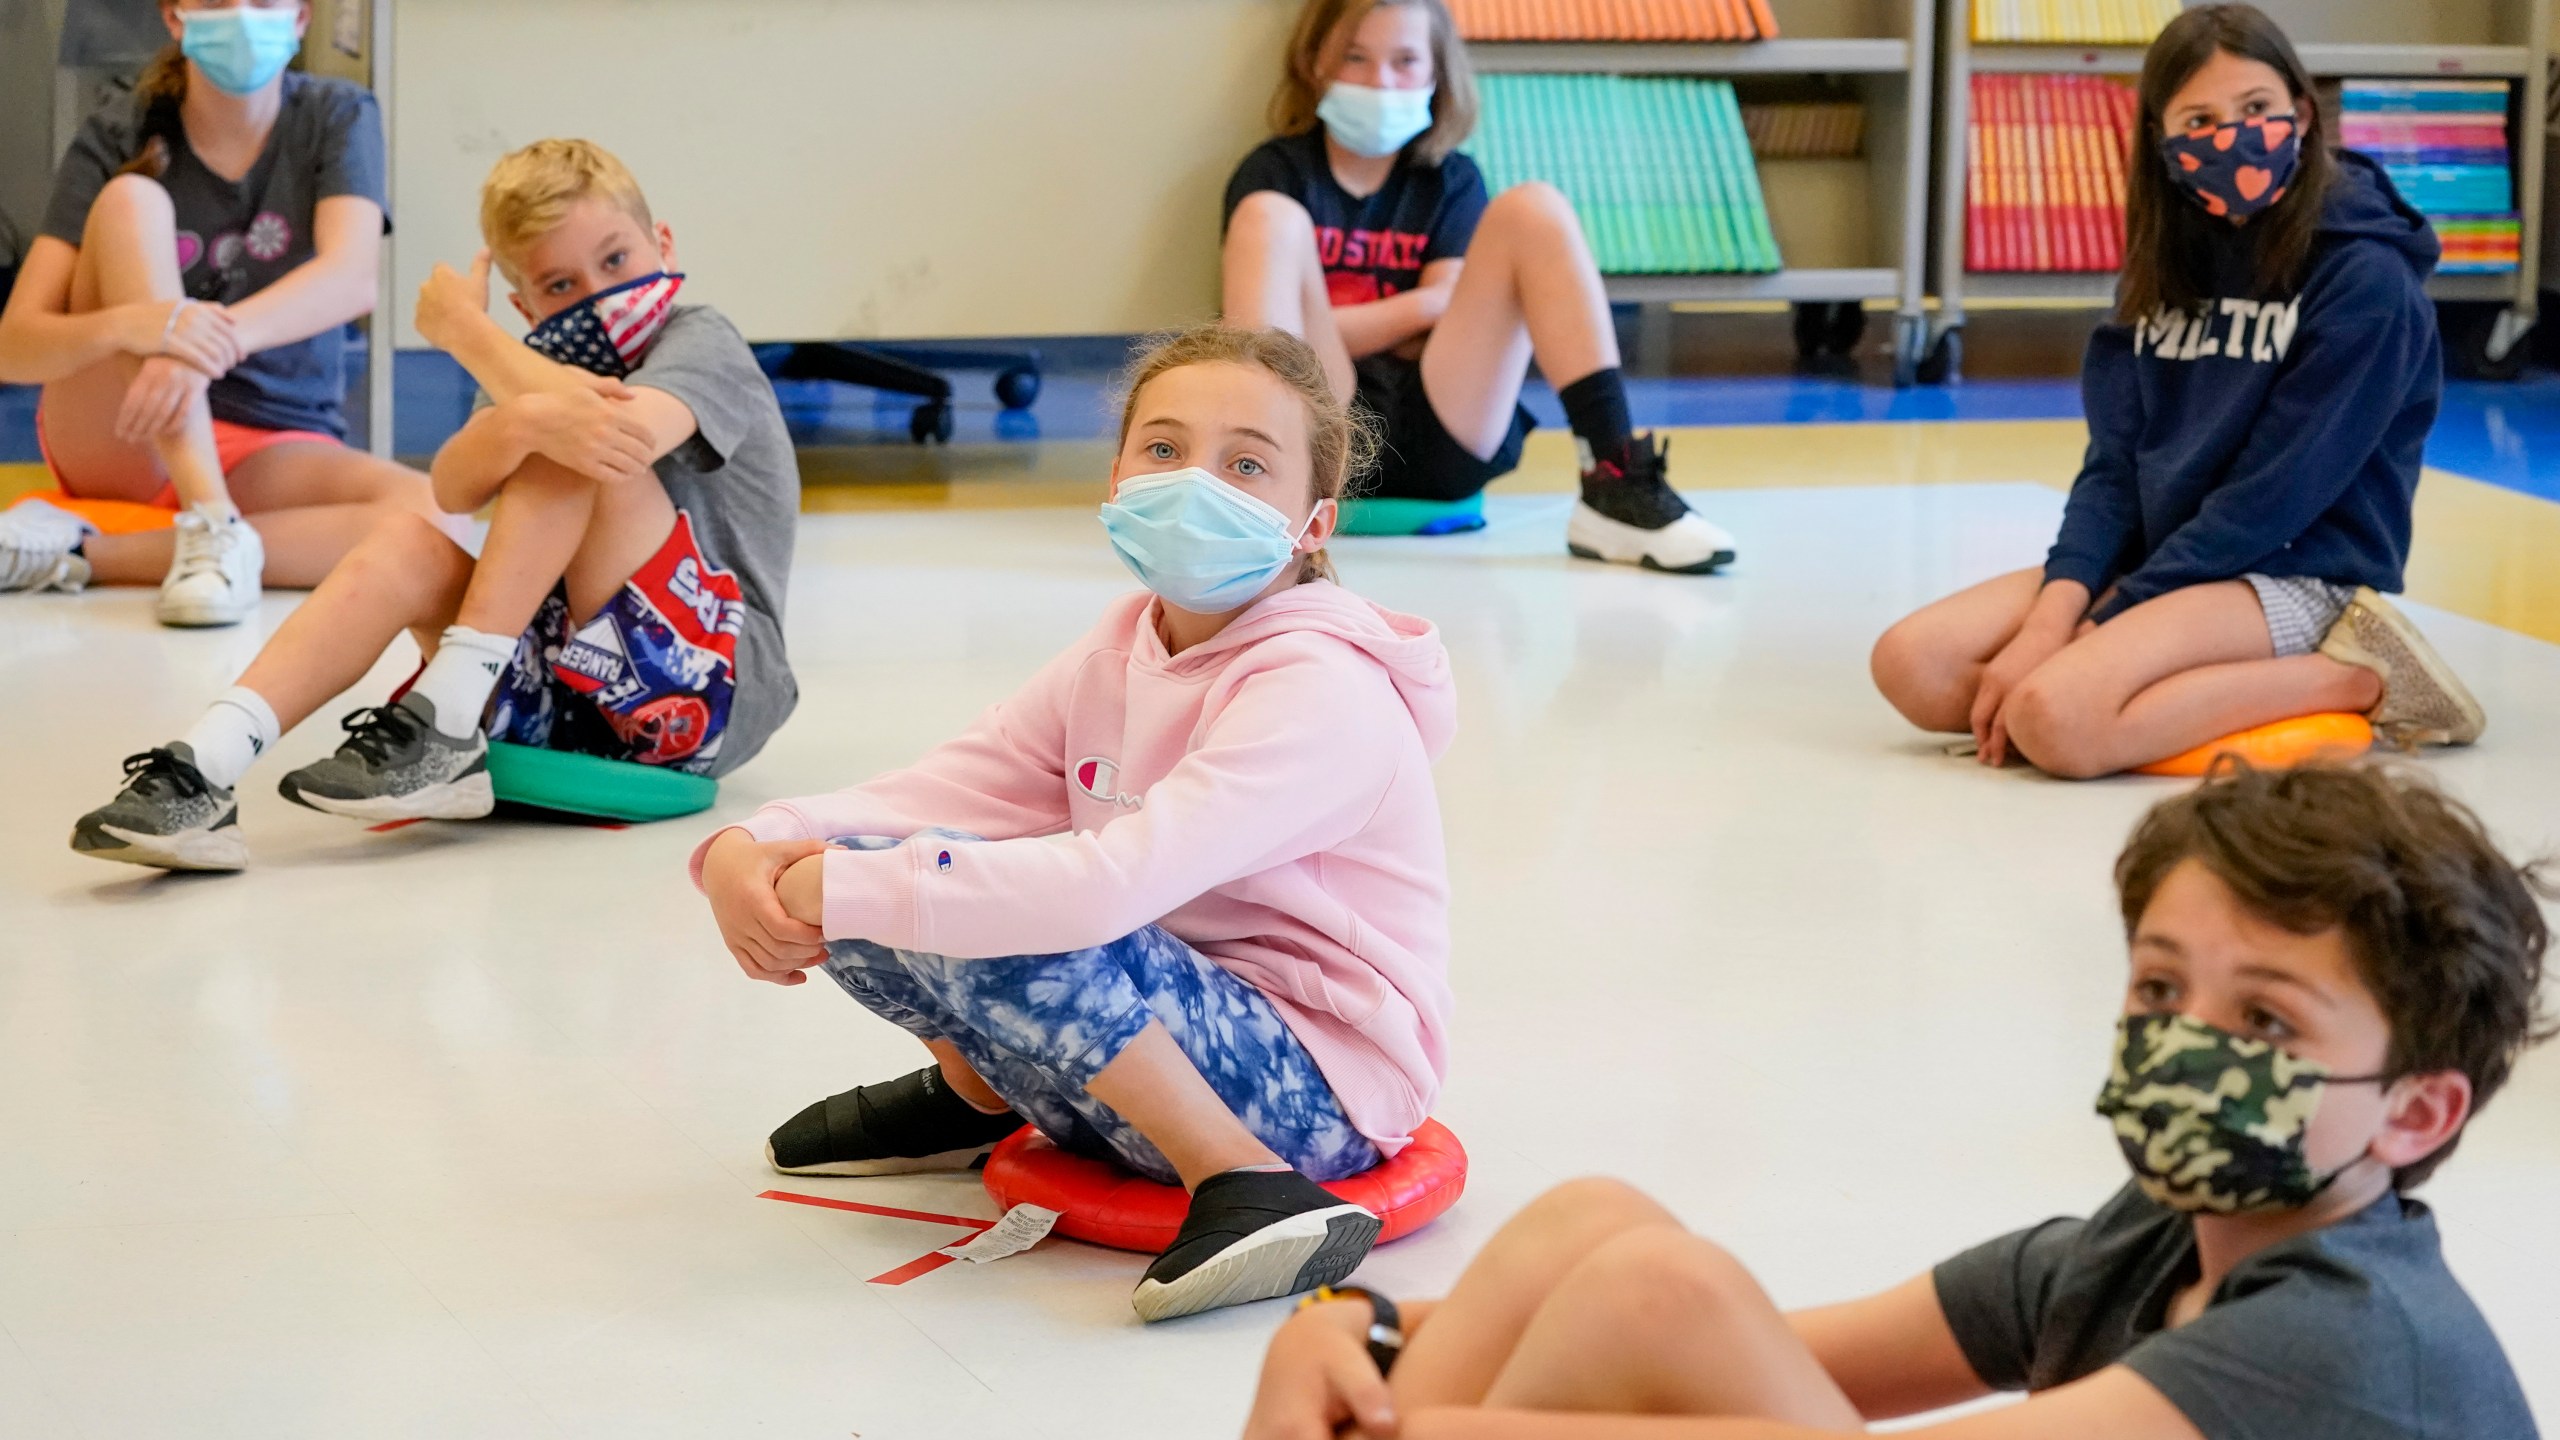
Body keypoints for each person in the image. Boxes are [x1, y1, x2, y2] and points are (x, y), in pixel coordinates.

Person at [1244, 762, 2548, 1439]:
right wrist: (1354, 1329)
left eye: (2264, 1019)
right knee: (1601, 1232)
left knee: (1661, 1289)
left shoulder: (2350, 1343)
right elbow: (1779, 1361)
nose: (2186, 1044)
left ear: (2416, 1114)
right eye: (2161, 990)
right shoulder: (2144, 1245)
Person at [697, 325, 1454, 1323]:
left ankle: (1244, 1184)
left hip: (1317, 1096)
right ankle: (975, 1097)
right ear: (1115, 476)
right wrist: (753, 847)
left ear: (1313, 521)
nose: (1195, 484)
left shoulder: (1321, 689)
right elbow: (957, 784)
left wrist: (837, 885)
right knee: (903, 869)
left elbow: (1110, 885)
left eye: (1245, 464)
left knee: (975, 895)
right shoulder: (1120, 646)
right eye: (1164, 449)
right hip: (1163, 1030)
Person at [67, 138, 799, 871]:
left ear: (662, 244)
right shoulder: (535, 373)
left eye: (615, 261)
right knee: (409, 537)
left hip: (712, 688)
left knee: (568, 429)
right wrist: (513, 414)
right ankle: (204, 768)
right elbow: (453, 489)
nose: (595, 293)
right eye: (560, 285)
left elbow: (618, 435)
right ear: (524, 303)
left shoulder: (702, 338)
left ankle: (447, 718)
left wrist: (466, 333)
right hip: (561, 682)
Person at [1869, 4, 2482, 779]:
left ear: (2299, 110)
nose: (2232, 135)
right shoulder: (2164, 262)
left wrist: (2106, 620)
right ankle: (2167, 678)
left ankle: (2362, 679)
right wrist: (2057, 610)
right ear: (2163, 145)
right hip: (2167, 557)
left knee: (2056, 719)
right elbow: (2115, 463)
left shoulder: (2367, 281)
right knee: (1912, 665)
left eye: (2256, 109)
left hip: (2293, 568)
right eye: (2200, 118)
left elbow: (2273, 498)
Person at [1221, 0, 1735, 573]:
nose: (1380, 81)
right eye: (1355, 58)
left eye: (1405, 61)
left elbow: (1448, 314)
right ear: (1315, 63)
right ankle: (1249, 501)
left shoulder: (1451, 180)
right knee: (1267, 216)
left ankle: (1614, 479)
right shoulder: (1276, 174)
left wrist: (1350, 323)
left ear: (1436, 75)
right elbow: (1272, 338)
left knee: (1533, 209)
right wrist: (1421, 307)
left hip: (1445, 426)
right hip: (1317, 439)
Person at [0, 0, 438, 626]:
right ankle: (209, 518)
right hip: (125, 427)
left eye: (262, 2)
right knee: (130, 201)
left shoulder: (336, 114)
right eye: (216, 2)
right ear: (175, 18)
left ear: (300, 19)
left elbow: (351, 279)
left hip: (267, 437)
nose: (240, 17)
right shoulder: (120, 128)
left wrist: (196, 346)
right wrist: (133, 327)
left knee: (434, 513)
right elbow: (14, 346)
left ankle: (80, 554)